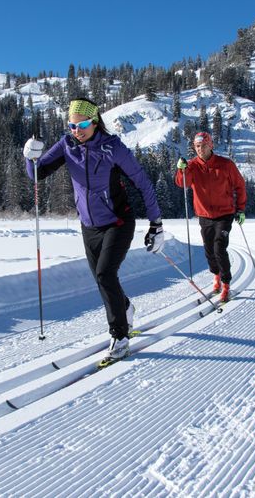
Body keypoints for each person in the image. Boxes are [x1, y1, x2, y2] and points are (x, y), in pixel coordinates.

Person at [23, 97, 164, 362]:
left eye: (83, 124)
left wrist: (156, 224)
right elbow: (37, 174)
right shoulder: (67, 145)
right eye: (72, 126)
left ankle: (120, 335)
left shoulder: (112, 147)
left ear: (95, 121)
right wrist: (29, 157)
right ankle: (124, 307)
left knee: (105, 273)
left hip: (118, 222)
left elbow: (143, 183)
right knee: (102, 280)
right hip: (89, 226)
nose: (77, 131)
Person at [174, 132, 246, 302]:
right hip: (204, 215)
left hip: (224, 214)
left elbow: (240, 186)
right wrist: (181, 170)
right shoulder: (191, 165)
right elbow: (182, 183)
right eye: (197, 146)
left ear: (211, 145)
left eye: (204, 146)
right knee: (209, 250)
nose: (200, 149)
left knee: (219, 247)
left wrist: (240, 209)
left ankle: (226, 284)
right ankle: (216, 276)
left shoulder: (226, 165)